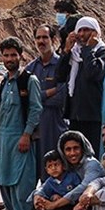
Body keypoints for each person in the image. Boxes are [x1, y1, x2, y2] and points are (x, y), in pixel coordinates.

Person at [0, 37, 43, 210]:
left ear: (20, 56)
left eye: (13, 55)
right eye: (6, 55)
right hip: (3, 138)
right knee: (4, 180)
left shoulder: (29, 80)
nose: (10, 58)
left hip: (20, 138)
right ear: (1, 57)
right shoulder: (5, 81)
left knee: (22, 181)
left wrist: (26, 135)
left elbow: (36, 110)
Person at [57, 16, 105, 152]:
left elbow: (93, 73)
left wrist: (88, 49)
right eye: (80, 30)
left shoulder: (102, 52)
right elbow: (59, 76)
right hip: (75, 114)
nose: (83, 34)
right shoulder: (74, 53)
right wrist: (66, 51)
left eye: (87, 30)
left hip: (93, 115)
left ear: (96, 32)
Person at [25, 24, 68, 181]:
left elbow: (61, 96)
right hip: (35, 129)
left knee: (56, 171)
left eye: (45, 37)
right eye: (38, 38)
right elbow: (25, 99)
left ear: (53, 40)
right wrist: (48, 92)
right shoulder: (30, 68)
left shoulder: (62, 66)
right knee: (33, 172)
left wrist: (37, 97)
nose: (41, 41)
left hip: (55, 126)